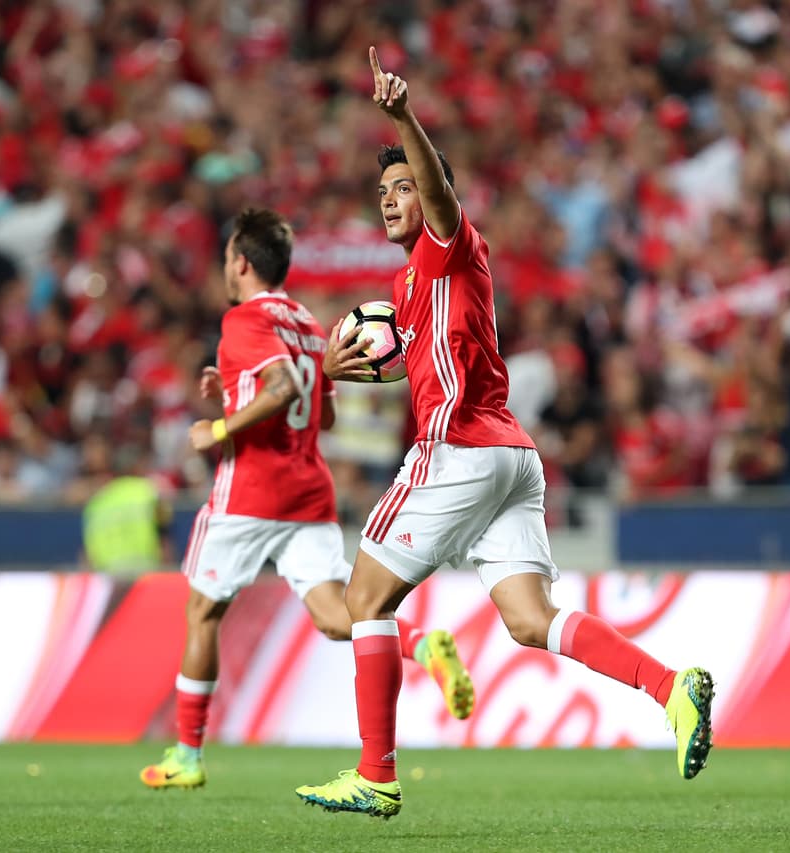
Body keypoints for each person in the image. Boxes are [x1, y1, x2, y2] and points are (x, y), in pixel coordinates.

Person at [295, 50, 714, 819]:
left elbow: (440, 196)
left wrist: (401, 119)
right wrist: (347, 369)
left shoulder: (447, 243)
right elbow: (422, 358)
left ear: (426, 193)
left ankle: (375, 771)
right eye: (380, 192)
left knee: (362, 597)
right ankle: (670, 687)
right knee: (529, 619)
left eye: (401, 188)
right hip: (512, 460)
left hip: (458, 448)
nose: (390, 200)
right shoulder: (408, 284)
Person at [140, 208, 475, 790]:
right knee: (332, 614)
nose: (226, 268)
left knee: (203, 612)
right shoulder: (308, 324)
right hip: (308, 488)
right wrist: (232, 393)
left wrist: (217, 430)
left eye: (226, 259)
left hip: (249, 490)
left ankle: (187, 758)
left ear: (241, 263)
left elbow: (282, 387)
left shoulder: (243, 319)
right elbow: (323, 412)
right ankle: (422, 644)